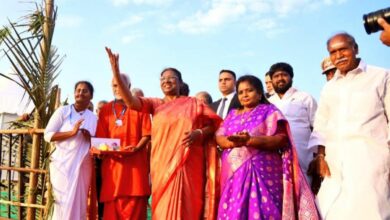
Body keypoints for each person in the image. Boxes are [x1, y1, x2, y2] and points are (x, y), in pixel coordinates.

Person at [105, 47, 222, 220]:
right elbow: (130, 101)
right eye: (163, 79)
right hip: (161, 165)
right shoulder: (155, 104)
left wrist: (199, 132)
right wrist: (115, 71)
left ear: (180, 83)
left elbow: (215, 124)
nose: (166, 81)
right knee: (162, 210)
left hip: (188, 164)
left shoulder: (194, 104)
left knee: (188, 208)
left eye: (171, 78)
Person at [216, 75, 319, 219]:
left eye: (249, 90)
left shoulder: (269, 111)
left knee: (265, 210)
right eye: (241, 92)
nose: (245, 95)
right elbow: (219, 136)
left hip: (263, 170)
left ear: (259, 93)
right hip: (233, 175)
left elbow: (281, 139)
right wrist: (232, 142)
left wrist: (250, 140)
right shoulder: (232, 115)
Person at [310, 32, 390, 219]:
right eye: (333, 52)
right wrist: (320, 156)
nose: (339, 56)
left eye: (343, 49)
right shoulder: (329, 87)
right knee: (333, 211)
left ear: (356, 49)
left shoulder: (381, 76)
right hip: (335, 163)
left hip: (371, 159)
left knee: (373, 211)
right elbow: (321, 124)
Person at [95, 73, 151, 219]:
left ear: (129, 87)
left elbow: (147, 134)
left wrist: (137, 148)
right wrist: (106, 150)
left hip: (135, 171)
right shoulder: (105, 110)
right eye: (115, 85)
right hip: (113, 171)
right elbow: (100, 141)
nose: (118, 88)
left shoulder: (140, 106)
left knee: (136, 211)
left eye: (121, 85)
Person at [44, 81, 97, 220]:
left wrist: (89, 137)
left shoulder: (94, 118)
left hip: (83, 165)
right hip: (62, 164)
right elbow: (48, 135)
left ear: (91, 96)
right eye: (78, 90)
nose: (80, 93)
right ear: (74, 93)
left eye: (85, 91)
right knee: (62, 201)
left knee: (80, 201)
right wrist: (71, 133)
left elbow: (98, 143)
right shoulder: (63, 111)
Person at [268, 62, 318, 183]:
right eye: (276, 76)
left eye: (284, 74)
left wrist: (317, 156)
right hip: (275, 154)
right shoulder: (268, 103)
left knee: (304, 189)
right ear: (271, 80)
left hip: (303, 155)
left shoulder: (305, 97)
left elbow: (317, 126)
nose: (280, 78)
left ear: (291, 77)